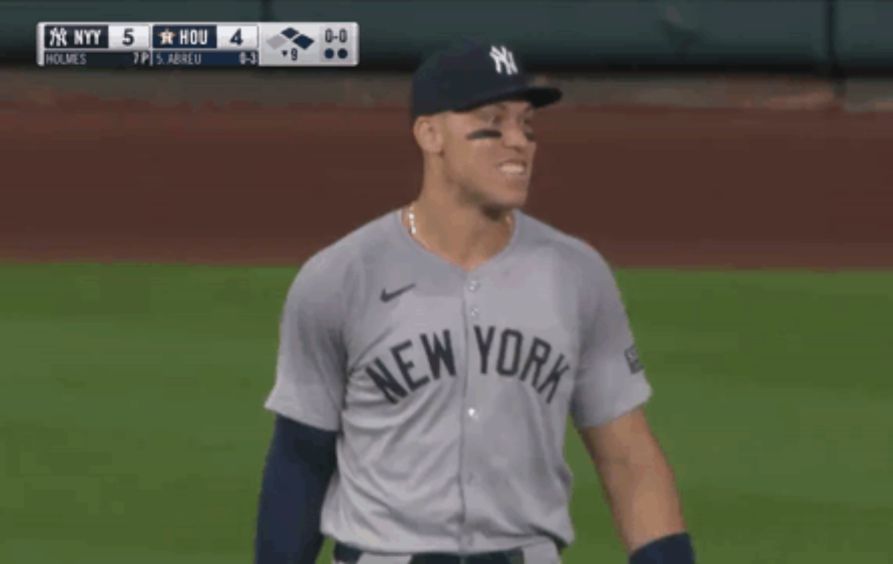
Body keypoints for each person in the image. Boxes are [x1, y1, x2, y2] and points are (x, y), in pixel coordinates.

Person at [254, 38, 695, 564]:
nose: (519, 142)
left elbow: (628, 459)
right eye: (493, 121)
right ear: (430, 133)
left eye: (527, 125)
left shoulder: (576, 274)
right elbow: (301, 458)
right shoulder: (341, 277)